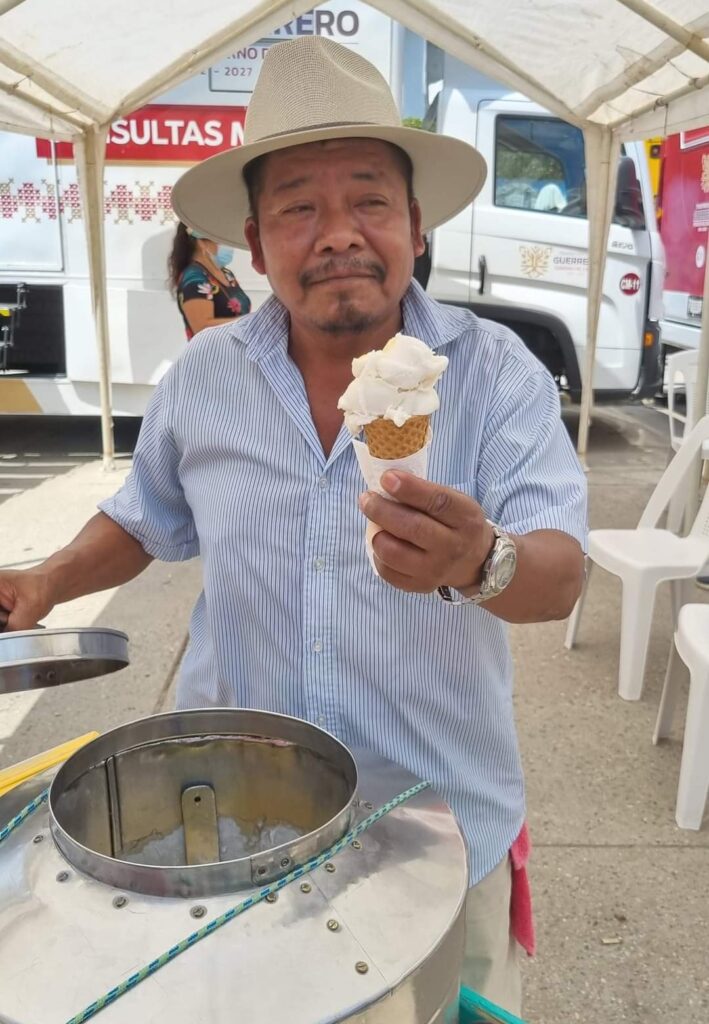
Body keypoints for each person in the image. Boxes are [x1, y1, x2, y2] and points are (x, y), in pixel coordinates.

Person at [0, 37, 587, 1014]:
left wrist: (482, 559)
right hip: (232, 829)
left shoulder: (495, 377)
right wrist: (48, 580)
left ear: (415, 222)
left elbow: (560, 574)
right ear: (252, 238)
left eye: (367, 198)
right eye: (298, 207)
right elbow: (145, 515)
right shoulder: (203, 380)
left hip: (435, 826)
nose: (337, 233)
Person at [168, 221, 251, 340]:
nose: (227, 245)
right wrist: (249, 322)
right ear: (202, 243)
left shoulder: (227, 274)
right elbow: (201, 327)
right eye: (220, 240)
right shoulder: (194, 278)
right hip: (212, 355)